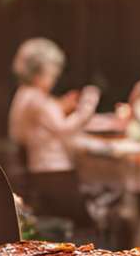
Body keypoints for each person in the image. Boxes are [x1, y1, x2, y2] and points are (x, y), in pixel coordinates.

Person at [7, 37, 100, 234]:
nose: (54, 79)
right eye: (52, 74)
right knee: (90, 221)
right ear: (39, 72)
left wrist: (61, 106)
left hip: (38, 171)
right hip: (52, 172)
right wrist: (88, 104)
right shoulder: (36, 100)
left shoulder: (25, 94)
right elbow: (64, 129)